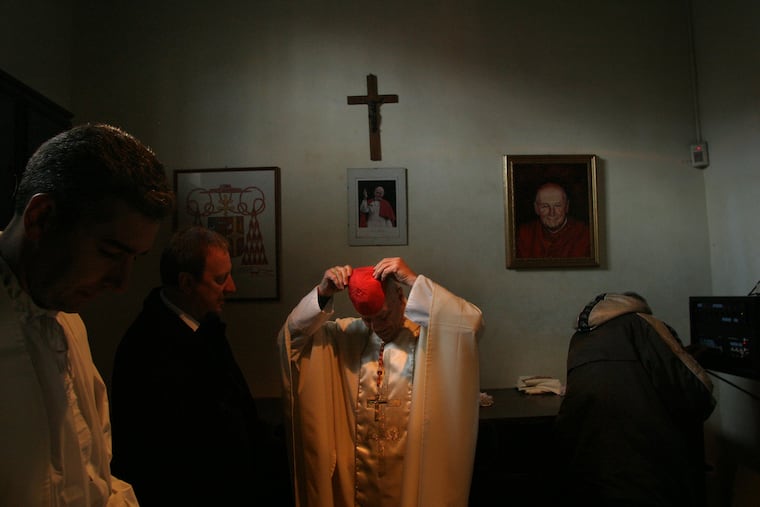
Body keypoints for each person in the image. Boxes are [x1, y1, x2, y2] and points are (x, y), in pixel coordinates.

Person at [0, 123, 174, 506]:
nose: (121, 283)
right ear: (41, 218)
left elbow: (94, 477)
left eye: (134, 259)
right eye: (111, 253)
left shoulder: (70, 325)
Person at [278, 257, 484, 507]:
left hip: (413, 477)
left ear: (400, 296)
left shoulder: (427, 339)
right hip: (356, 481)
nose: (376, 327)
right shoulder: (346, 337)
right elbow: (292, 339)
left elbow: (468, 326)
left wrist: (414, 281)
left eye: (383, 317)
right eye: (368, 320)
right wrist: (322, 294)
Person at [110, 226, 291, 506]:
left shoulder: (201, 325)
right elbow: (189, 457)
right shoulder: (150, 349)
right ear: (186, 283)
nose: (232, 287)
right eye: (220, 279)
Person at [554, 292, 717, 507]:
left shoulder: (581, 337)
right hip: (647, 470)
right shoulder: (645, 324)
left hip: (590, 469)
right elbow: (696, 396)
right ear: (638, 307)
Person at [516, 181, 590, 258]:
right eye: (545, 206)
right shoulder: (524, 234)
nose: (552, 213)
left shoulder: (584, 234)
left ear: (567, 207)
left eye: (557, 206)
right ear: (536, 208)